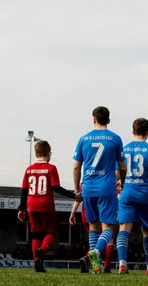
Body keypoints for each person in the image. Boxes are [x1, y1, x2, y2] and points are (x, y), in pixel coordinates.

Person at [72, 106, 126, 273]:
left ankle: (96, 265)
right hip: (106, 187)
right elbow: (123, 167)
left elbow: (76, 167)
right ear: (108, 120)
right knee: (109, 227)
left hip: (88, 187)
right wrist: (123, 183)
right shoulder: (115, 138)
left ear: (93, 119)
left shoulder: (83, 139)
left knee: (93, 225)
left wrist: (76, 188)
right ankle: (94, 253)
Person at [18, 140, 80, 273]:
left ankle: (37, 261)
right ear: (49, 154)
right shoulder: (51, 168)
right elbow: (56, 187)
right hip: (46, 204)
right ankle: (42, 251)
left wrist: (21, 209)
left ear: (35, 154)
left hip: (31, 204)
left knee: (35, 234)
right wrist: (73, 196)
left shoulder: (28, 169)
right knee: (50, 232)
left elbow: (24, 191)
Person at [115, 118, 148, 275]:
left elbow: (118, 172)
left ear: (132, 131)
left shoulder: (124, 149)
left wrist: (121, 183)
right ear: (147, 132)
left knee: (124, 228)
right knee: (147, 230)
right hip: (145, 193)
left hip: (127, 192)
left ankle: (122, 263)